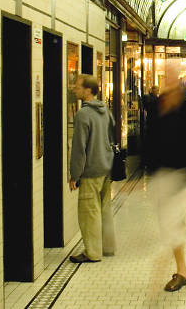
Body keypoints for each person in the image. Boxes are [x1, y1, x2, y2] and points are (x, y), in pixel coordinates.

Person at [142, 74, 186, 292]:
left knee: (173, 222)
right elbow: (150, 139)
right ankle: (180, 265)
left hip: (181, 175)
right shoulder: (157, 106)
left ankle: (182, 271)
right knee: (168, 222)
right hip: (162, 176)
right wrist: (149, 169)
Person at [68, 74, 116, 263]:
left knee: (89, 213)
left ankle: (93, 252)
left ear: (88, 90)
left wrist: (75, 175)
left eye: (78, 86)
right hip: (106, 166)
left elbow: (79, 148)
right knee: (104, 209)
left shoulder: (83, 114)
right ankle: (108, 246)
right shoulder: (105, 110)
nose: (74, 88)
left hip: (91, 170)